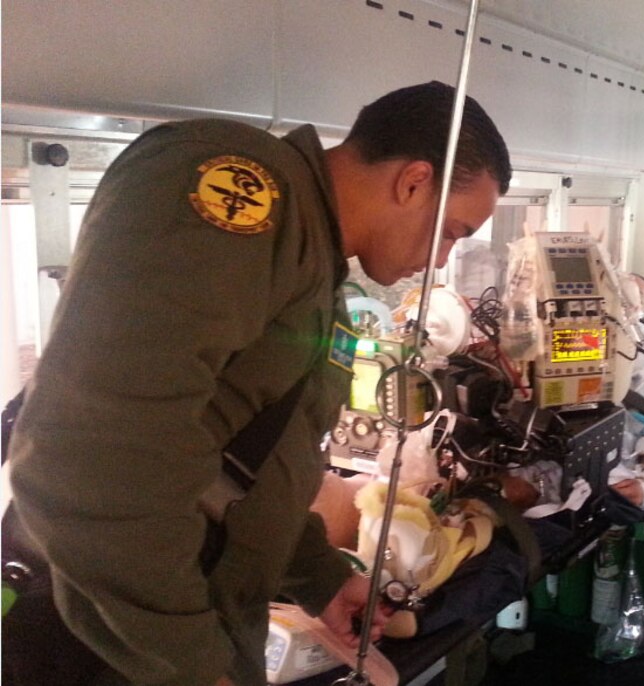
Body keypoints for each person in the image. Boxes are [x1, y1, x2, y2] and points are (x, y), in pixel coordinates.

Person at [7, 81, 511, 686]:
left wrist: (319, 577)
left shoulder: (314, 271)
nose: (438, 261)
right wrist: (193, 665)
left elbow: (243, 470)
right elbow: (96, 456)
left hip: (179, 621)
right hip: (110, 636)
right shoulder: (239, 190)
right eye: (451, 232)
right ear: (413, 181)